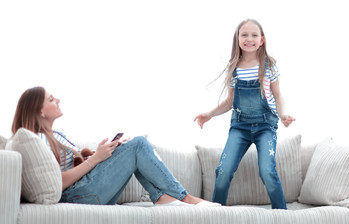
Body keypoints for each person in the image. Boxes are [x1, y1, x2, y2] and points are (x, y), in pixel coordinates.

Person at [12, 86, 220, 207]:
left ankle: (165, 198)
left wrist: (101, 153)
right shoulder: (38, 139)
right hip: (78, 195)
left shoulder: (56, 135)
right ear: (39, 111)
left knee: (131, 147)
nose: (57, 100)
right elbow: (57, 181)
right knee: (138, 144)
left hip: (85, 191)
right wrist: (95, 159)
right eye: (50, 99)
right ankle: (185, 198)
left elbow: (72, 167)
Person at [194, 19, 295, 209]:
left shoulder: (269, 66)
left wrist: (283, 115)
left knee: (267, 171)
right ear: (238, 38)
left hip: (265, 126)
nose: (249, 39)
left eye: (254, 35)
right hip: (239, 127)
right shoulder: (234, 68)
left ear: (262, 40)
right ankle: (215, 214)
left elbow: (278, 95)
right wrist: (209, 114)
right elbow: (230, 101)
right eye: (244, 35)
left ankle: (282, 215)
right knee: (223, 171)